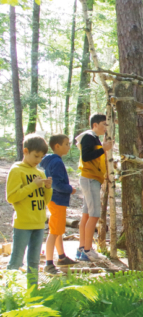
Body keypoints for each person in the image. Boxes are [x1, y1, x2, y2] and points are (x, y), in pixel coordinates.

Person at [6, 134, 53, 286]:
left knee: (34, 261)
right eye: (36, 156)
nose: (38, 160)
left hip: (39, 223)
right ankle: (8, 293)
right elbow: (12, 197)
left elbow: (45, 200)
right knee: (17, 260)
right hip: (23, 223)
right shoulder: (17, 170)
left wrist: (47, 188)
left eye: (41, 157)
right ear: (25, 151)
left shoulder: (40, 172)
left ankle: (32, 292)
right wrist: (33, 185)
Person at [75, 114, 112, 262]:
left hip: (92, 179)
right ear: (95, 124)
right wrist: (103, 149)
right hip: (90, 179)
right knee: (94, 214)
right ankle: (88, 251)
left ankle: (82, 248)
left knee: (86, 214)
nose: (105, 127)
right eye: (103, 124)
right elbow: (86, 157)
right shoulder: (89, 137)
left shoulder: (94, 138)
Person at [40, 134, 78, 274]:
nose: (69, 147)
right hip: (57, 199)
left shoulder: (53, 161)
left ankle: (61, 257)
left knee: (58, 230)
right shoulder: (56, 162)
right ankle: (49, 264)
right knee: (54, 232)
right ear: (57, 146)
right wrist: (70, 189)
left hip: (56, 200)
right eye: (67, 144)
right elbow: (55, 183)